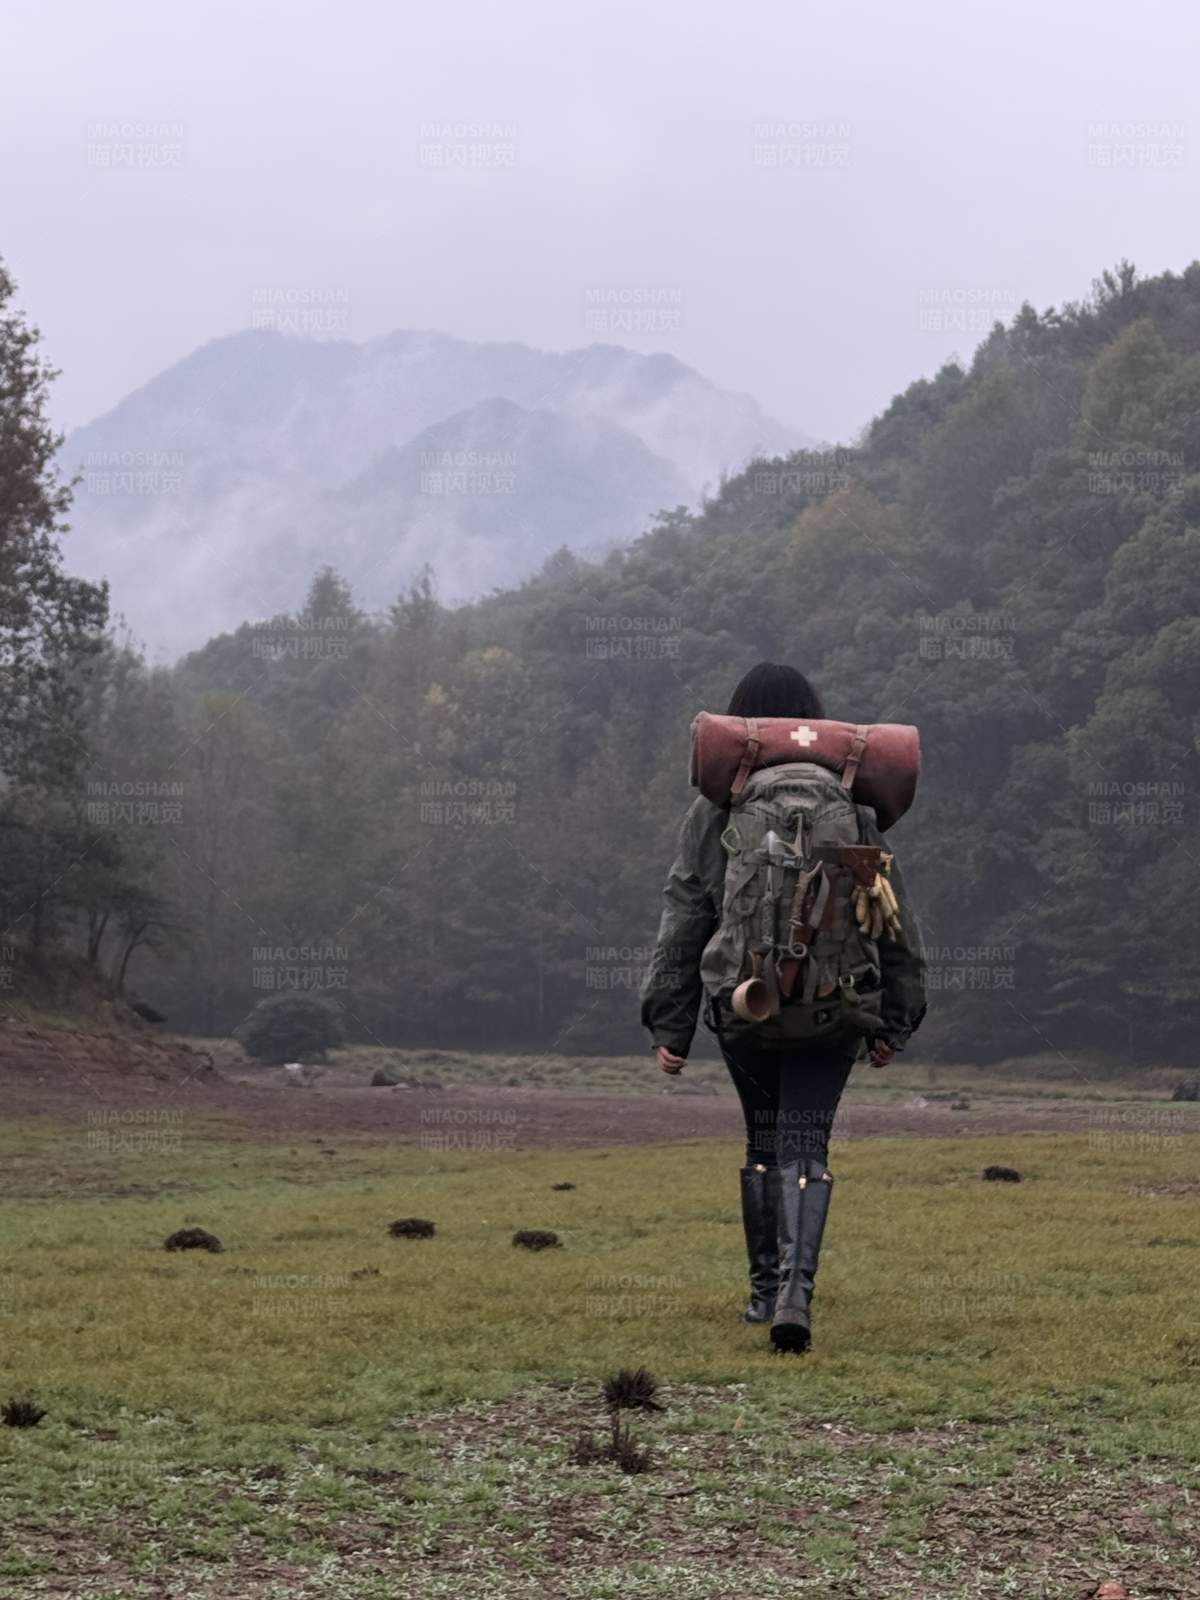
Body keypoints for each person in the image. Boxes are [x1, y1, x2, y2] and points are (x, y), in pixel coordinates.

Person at [640, 662, 926, 1352]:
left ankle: (762, 1294)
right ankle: (798, 1296)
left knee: (762, 1141)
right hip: (835, 1006)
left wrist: (669, 1022)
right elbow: (891, 917)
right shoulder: (854, 803)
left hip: (744, 1006)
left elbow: (685, 919)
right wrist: (897, 1018)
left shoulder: (716, 809)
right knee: (808, 1142)